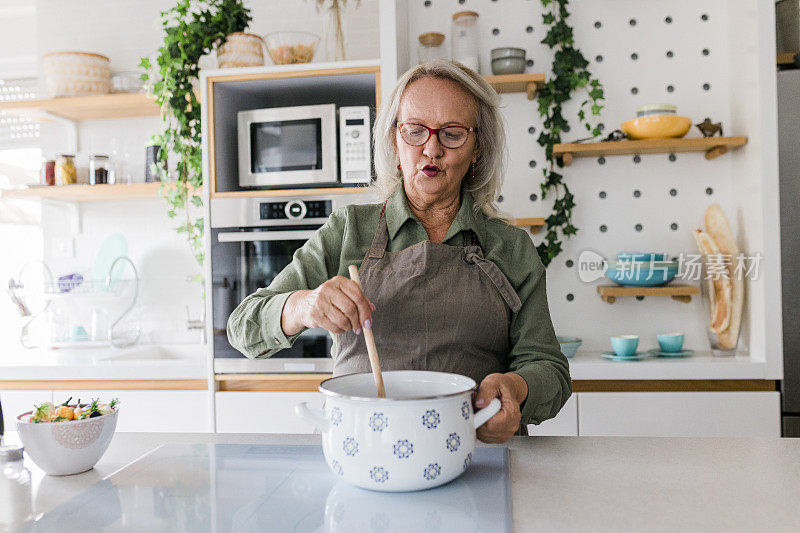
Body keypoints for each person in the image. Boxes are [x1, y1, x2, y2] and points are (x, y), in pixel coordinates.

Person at [227, 59, 571, 443]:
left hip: (476, 455)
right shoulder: (347, 231)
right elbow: (243, 327)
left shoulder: (510, 247)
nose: (432, 149)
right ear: (394, 139)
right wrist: (302, 306)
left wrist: (516, 389)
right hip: (363, 449)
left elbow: (548, 368)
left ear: (478, 148)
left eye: (453, 134)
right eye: (414, 131)